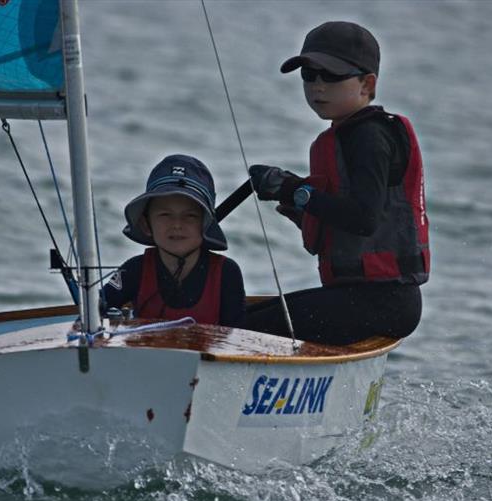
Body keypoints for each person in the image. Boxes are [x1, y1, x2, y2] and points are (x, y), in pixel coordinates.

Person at [242, 21, 430, 345]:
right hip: (362, 298)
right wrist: (302, 211)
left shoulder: (370, 137)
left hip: (384, 302)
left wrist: (292, 189)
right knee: (245, 318)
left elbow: (362, 218)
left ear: (367, 84)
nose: (318, 86)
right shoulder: (347, 136)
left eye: (331, 75)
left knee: (238, 327)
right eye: (308, 75)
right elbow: (349, 222)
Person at [103, 154, 245, 326]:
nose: (177, 225)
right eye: (165, 215)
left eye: (190, 216)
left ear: (206, 224)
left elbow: (238, 336)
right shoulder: (134, 269)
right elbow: (94, 313)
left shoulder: (226, 273)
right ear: (146, 224)